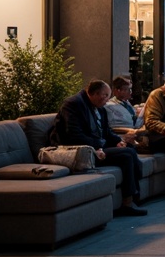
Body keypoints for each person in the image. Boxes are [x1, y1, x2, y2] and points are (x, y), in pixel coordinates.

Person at [53, 80, 147, 217]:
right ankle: (129, 201)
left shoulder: (99, 107)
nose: (107, 100)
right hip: (79, 150)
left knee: (129, 148)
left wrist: (118, 141)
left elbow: (106, 131)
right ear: (96, 94)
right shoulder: (74, 104)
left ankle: (133, 197)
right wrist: (98, 146)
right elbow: (73, 134)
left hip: (97, 146)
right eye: (106, 96)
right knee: (126, 154)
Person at [105, 75, 145, 145]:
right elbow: (110, 128)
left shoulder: (127, 103)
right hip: (121, 137)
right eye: (127, 89)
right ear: (117, 90)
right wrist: (131, 130)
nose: (130, 92)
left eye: (131, 89)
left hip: (134, 133)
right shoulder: (109, 106)